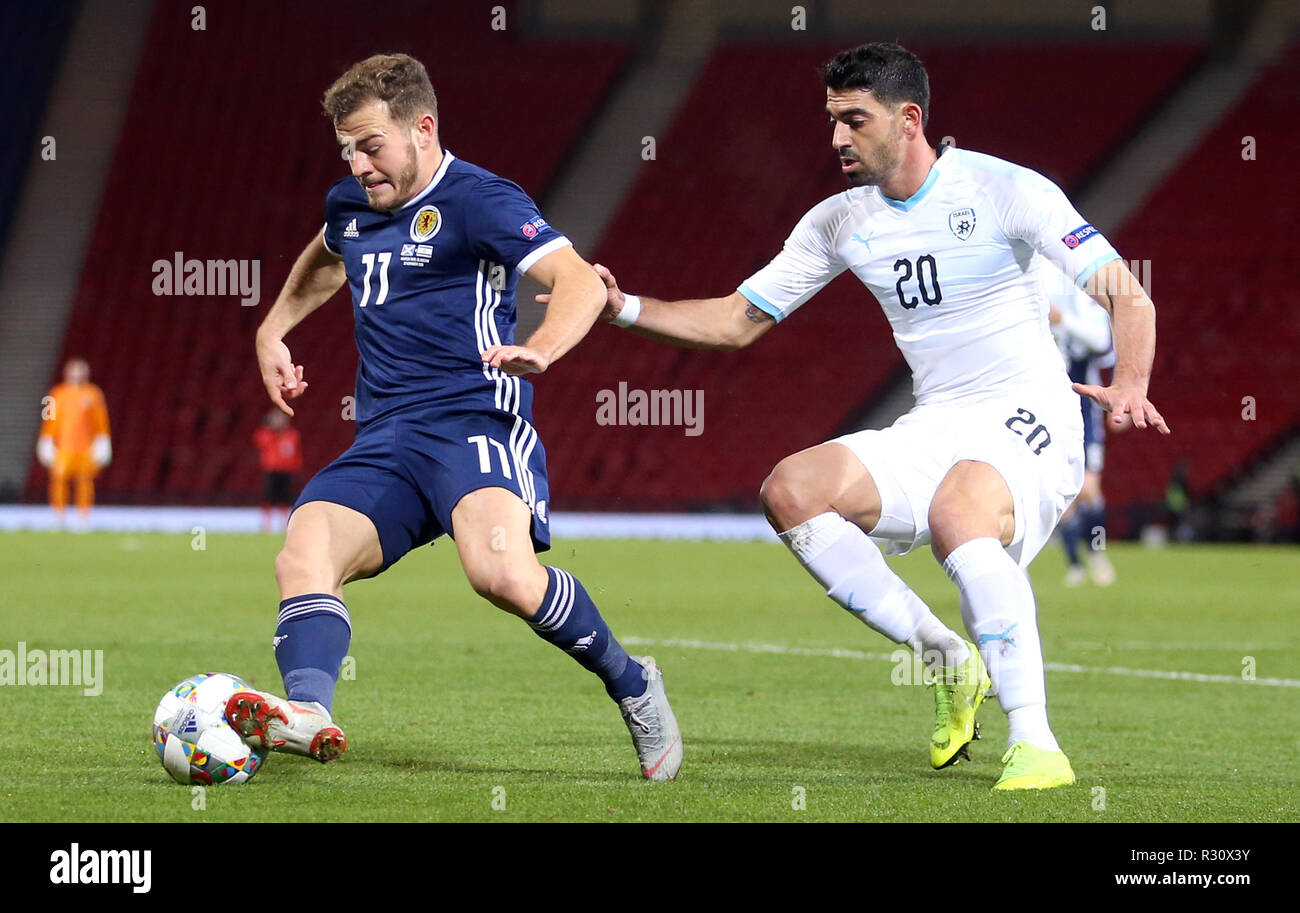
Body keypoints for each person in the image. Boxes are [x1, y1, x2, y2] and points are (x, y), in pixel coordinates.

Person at [586, 42, 1168, 790]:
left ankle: (1037, 742)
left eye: (854, 120)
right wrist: (623, 307)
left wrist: (1132, 380)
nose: (836, 139)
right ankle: (946, 657)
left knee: (961, 509)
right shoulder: (838, 221)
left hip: (1032, 416)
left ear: (909, 118)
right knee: (791, 490)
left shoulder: (1004, 189)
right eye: (831, 121)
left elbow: (1128, 292)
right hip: (939, 422)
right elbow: (736, 320)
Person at [229, 53, 681, 781]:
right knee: (303, 549)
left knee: (500, 573)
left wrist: (542, 346)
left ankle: (632, 682)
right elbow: (327, 253)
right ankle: (310, 710)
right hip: (385, 439)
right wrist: (271, 329)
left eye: (372, 145)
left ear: (423, 129)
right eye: (346, 148)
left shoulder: (479, 200)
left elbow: (577, 283)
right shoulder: (352, 201)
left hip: (473, 423)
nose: (359, 164)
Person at [1046, 271, 1118, 586]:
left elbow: (1102, 343)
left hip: (1086, 410)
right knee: (1062, 497)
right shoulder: (1037, 297)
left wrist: (1062, 319)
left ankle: (1097, 553)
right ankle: (1074, 565)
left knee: (1089, 490)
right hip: (1049, 408)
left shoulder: (1087, 304)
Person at [37, 357, 111, 525]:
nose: (77, 373)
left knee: (85, 481)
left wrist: (103, 441)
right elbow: (48, 419)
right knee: (59, 479)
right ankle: (58, 514)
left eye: (80, 370)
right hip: (64, 446)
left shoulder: (94, 394)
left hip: (86, 447)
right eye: (74, 370)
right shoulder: (56, 393)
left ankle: (83, 515)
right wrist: (46, 440)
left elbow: (101, 420)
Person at [253, 408, 303, 532]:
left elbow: (295, 453)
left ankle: (284, 523)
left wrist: (296, 466)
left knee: (285, 498)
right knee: (269, 497)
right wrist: (272, 430)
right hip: (272, 470)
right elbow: (261, 442)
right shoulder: (266, 434)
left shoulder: (292, 434)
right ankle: (266, 524)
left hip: (286, 470)